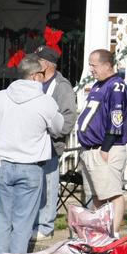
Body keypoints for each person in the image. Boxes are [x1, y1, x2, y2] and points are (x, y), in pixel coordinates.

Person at [0, 54, 63, 254]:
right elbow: (58, 128)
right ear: (34, 76)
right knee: (22, 223)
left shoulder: (1, 97)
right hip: (30, 167)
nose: (43, 78)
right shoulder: (45, 101)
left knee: (0, 222)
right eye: (41, 75)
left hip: (4, 164)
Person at [78, 48, 127, 235]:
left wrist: (105, 147)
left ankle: (113, 234)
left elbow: (117, 119)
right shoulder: (98, 84)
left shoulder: (116, 86)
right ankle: (99, 233)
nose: (91, 69)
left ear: (107, 65)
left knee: (113, 193)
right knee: (98, 195)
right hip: (90, 149)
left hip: (105, 148)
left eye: (94, 65)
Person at [31, 46, 77, 241]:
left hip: (50, 144)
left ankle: (45, 226)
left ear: (47, 64)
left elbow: (68, 118)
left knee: (49, 185)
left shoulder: (61, 86)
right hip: (31, 144)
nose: (35, 63)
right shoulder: (33, 81)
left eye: (38, 60)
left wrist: (52, 133)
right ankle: (32, 224)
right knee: (34, 186)